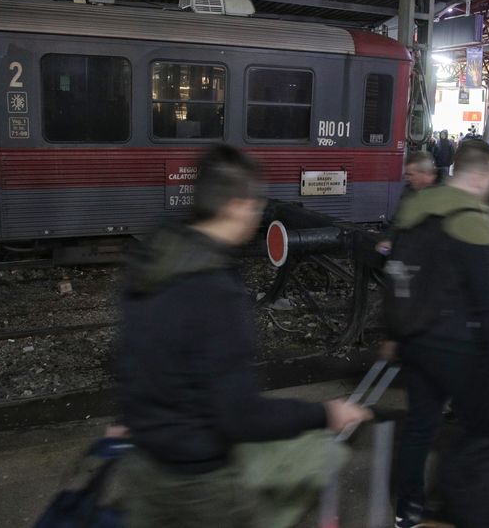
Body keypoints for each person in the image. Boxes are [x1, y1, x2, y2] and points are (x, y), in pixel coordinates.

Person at [116, 144, 370, 528]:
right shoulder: (214, 290)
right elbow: (240, 416)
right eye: (255, 206)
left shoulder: (156, 255)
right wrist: (324, 413)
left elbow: (127, 360)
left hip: (144, 471)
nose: (257, 216)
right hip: (199, 487)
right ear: (236, 206)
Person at [384, 140, 489, 528]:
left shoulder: (418, 206)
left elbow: (395, 274)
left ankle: (407, 510)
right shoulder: (473, 217)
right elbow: (486, 303)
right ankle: (458, 509)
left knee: (420, 425)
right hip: (456, 343)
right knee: (478, 430)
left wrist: (395, 331)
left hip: (415, 338)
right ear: (478, 175)